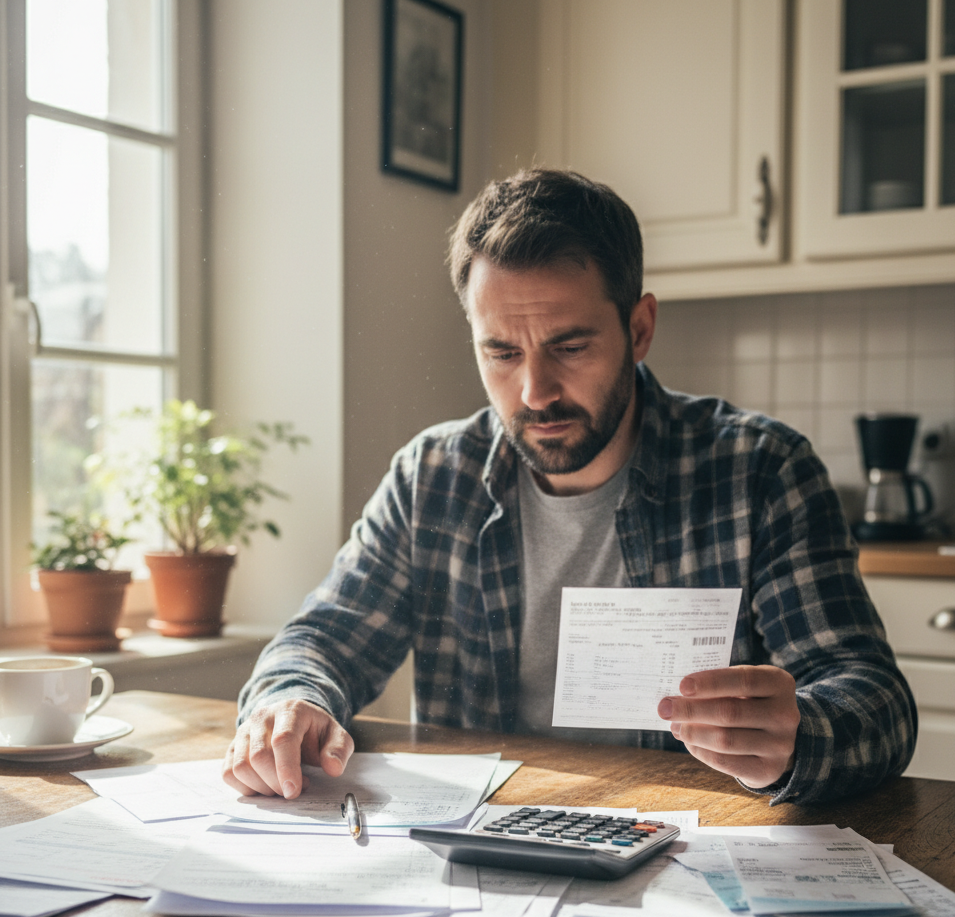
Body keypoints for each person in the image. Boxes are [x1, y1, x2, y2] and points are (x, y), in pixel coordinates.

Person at [223, 169, 916, 806]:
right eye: (501, 352)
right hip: (477, 845)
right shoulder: (431, 478)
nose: (534, 391)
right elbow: (322, 640)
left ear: (639, 328)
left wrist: (800, 736)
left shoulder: (761, 473)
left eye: (570, 346)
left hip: (686, 847)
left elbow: (876, 699)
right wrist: (292, 701)